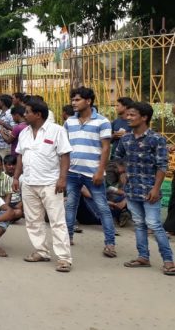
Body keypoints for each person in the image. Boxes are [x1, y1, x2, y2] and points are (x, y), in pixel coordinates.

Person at [112, 102, 174, 275]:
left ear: (144, 117)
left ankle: (169, 261)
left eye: (132, 115)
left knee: (154, 224)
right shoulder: (126, 138)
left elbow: (162, 166)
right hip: (132, 190)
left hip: (149, 191)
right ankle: (143, 257)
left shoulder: (157, 139)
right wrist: (122, 172)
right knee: (139, 224)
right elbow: (117, 156)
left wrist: (156, 189)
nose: (128, 118)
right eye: (128, 115)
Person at [13, 98, 73, 272]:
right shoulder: (24, 133)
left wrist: (62, 179)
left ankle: (64, 258)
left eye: (27, 112)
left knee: (57, 221)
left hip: (50, 183)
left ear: (38, 114)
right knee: (32, 220)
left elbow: (65, 156)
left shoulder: (57, 131)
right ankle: (41, 251)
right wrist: (16, 177)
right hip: (29, 182)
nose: (24, 115)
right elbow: (19, 156)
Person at [64, 87, 116, 256]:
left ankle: (110, 244)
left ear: (88, 101)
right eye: (72, 99)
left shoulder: (102, 121)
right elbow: (64, 148)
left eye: (77, 99)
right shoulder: (69, 122)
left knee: (102, 208)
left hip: (93, 173)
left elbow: (106, 148)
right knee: (70, 206)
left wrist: (101, 171)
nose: (73, 103)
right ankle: (68, 237)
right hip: (72, 172)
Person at [0, 154, 22, 219]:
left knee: (18, 212)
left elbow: (8, 196)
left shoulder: (7, 178)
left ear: (2, 166)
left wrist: (4, 210)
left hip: (3, 206)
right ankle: (2, 218)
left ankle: (0, 217)